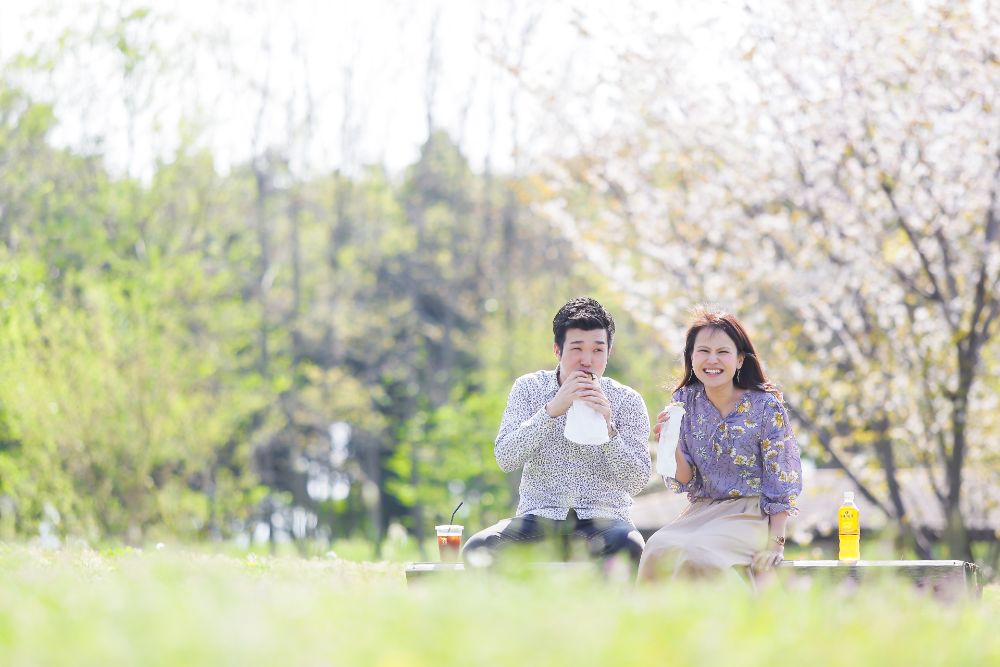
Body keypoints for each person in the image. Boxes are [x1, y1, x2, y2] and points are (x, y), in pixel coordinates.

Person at [463, 297, 652, 570]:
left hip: (605, 521)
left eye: (598, 350)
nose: (587, 360)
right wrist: (551, 411)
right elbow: (505, 457)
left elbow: (636, 481)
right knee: (478, 548)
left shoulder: (627, 400)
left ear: (609, 352)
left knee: (632, 547)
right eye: (577, 348)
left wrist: (609, 430)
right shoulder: (529, 389)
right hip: (539, 518)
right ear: (557, 350)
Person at [637, 309, 802, 582]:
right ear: (691, 357)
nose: (712, 360)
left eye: (722, 352)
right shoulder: (685, 401)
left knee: (698, 553)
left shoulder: (765, 406)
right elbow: (685, 477)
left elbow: (781, 479)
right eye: (703, 351)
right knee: (658, 547)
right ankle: (659, 624)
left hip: (750, 514)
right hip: (702, 510)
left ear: (739, 360)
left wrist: (777, 542)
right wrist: (669, 443)